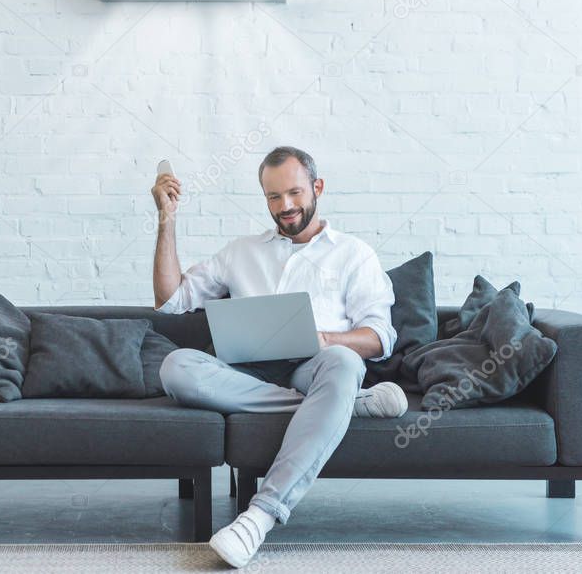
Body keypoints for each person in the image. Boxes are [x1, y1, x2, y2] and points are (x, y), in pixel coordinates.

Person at [151, 145, 408, 568]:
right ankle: (342, 406)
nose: (284, 206)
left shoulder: (353, 254)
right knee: (176, 367)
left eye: (293, 193)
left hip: (318, 367)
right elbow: (170, 299)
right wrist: (167, 218)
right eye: (273, 197)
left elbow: (380, 337)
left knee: (344, 363)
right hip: (247, 372)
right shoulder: (241, 251)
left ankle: (259, 516)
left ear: (317, 188)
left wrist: (325, 338)